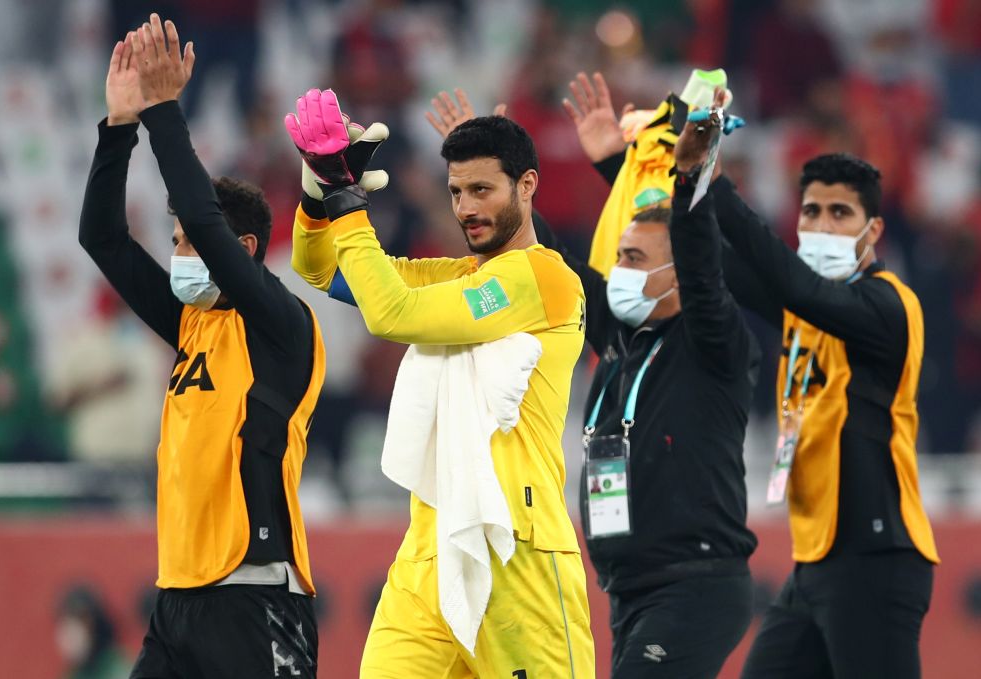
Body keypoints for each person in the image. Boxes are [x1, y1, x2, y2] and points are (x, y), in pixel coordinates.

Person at [429, 83, 759, 679]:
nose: (619, 271)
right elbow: (552, 263)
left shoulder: (711, 343)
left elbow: (706, 271)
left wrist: (687, 182)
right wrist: (496, 173)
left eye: (633, 259)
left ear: (679, 272)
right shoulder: (618, 336)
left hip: (696, 583)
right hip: (629, 585)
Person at [288, 89, 595, 677]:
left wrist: (351, 203)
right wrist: (319, 186)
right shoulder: (457, 279)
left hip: (518, 549)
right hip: (430, 547)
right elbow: (320, 267)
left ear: (527, 186)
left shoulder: (544, 280)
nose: (466, 207)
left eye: (482, 190)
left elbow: (391, 315)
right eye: (456, 192)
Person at [78, 14, 323, 677]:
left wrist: (163, 112)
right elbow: (101, 238)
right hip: (179, 596)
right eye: (177, 238)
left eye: (185, 239)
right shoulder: (193, 324)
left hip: (256, 591)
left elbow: (208, 222)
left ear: (241, 250)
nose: (177, 252)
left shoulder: (280, 322)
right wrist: (118, 127)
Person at [704, 150, 940, 679]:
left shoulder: (888, 306)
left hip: (877, 555)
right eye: (812, 212)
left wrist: (716, 186)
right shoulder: (804, 306)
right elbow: (714, 260)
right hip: (816, 561)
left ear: (874, 228)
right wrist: (655, 173)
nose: (822, 226)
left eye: (840, 213)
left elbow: (793, 284)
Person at [55, 585, 130, 679]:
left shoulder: (119, 671)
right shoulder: (74, 674)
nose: (71, 629)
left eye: (80, 618)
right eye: (66, 619)